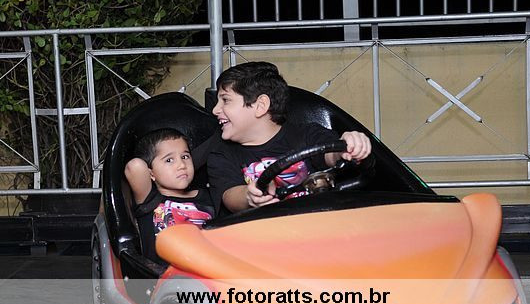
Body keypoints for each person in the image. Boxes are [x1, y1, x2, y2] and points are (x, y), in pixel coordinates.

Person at [207, 61, 372, 214]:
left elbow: (331, 154)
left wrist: (348, 146)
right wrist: (249, 196)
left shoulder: (307, 134)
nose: (215, 110)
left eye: (225, 100)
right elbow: (230, 195)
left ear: (260, 106)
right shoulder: (222, 154)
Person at [125, 128, 214, 263]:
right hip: (163, 273)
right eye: (169, 160)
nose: (181, 165)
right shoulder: (150, 200)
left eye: (185, 157)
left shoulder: (207, 197)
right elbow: (134, 166)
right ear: (151, 173)